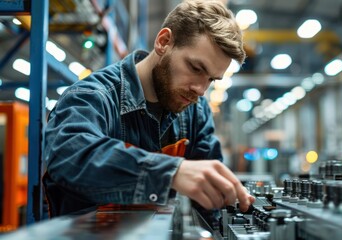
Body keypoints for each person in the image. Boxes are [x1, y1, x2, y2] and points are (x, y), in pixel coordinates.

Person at [43, 0, 255, 226]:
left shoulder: (195, 110)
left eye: (211, 79)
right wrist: (170, 173)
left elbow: (207, 199)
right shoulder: (93, 96)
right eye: (195, 68)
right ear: (164, 42)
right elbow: (69, 155)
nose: (200, 90)